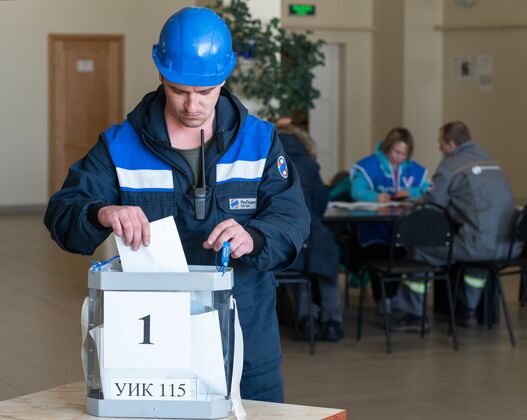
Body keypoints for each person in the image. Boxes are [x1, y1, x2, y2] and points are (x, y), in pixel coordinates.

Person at [44, 7, 310, 403]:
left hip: (245, 343)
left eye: (205, 92)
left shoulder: (260, 142)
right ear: (161, 76)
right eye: (179, 90)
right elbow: (63, 211)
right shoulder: (120, 145)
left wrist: (253, 237)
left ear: (224, 78)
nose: (192, 105)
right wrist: (103, 212)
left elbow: (292, 219)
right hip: (150, 346)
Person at [408, 121, 521, 328]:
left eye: (440, 143)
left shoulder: (451, 164)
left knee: (420, 248)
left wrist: (416, 202)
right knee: (478, 252)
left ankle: (414, 314)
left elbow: (434, 205)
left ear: (451, 144)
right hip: (510, 245)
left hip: (480, 246)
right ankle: (468, 310)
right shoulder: (490, 159)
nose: (439, 148)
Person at [349, 127, 430, 322]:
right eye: (396, 152)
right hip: (373, 228)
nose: (399, 157)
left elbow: (428, 189)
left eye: (404, 153)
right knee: (380, 253)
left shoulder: (413, 168)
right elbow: (356, 191)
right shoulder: (370, 165)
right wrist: (376, 197)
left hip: (401, 229)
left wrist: (410, 193)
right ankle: (384, 299)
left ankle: (395, 298)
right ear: (387, 148)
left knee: (404, 253)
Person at [276, 118, 344, 342]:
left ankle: (307, 320)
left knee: (297, 268)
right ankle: (332, 321)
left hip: (285, 234)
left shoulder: (269, 160)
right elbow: (321, 201)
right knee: (326, 269)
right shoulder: (308, 163)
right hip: (315, 232)